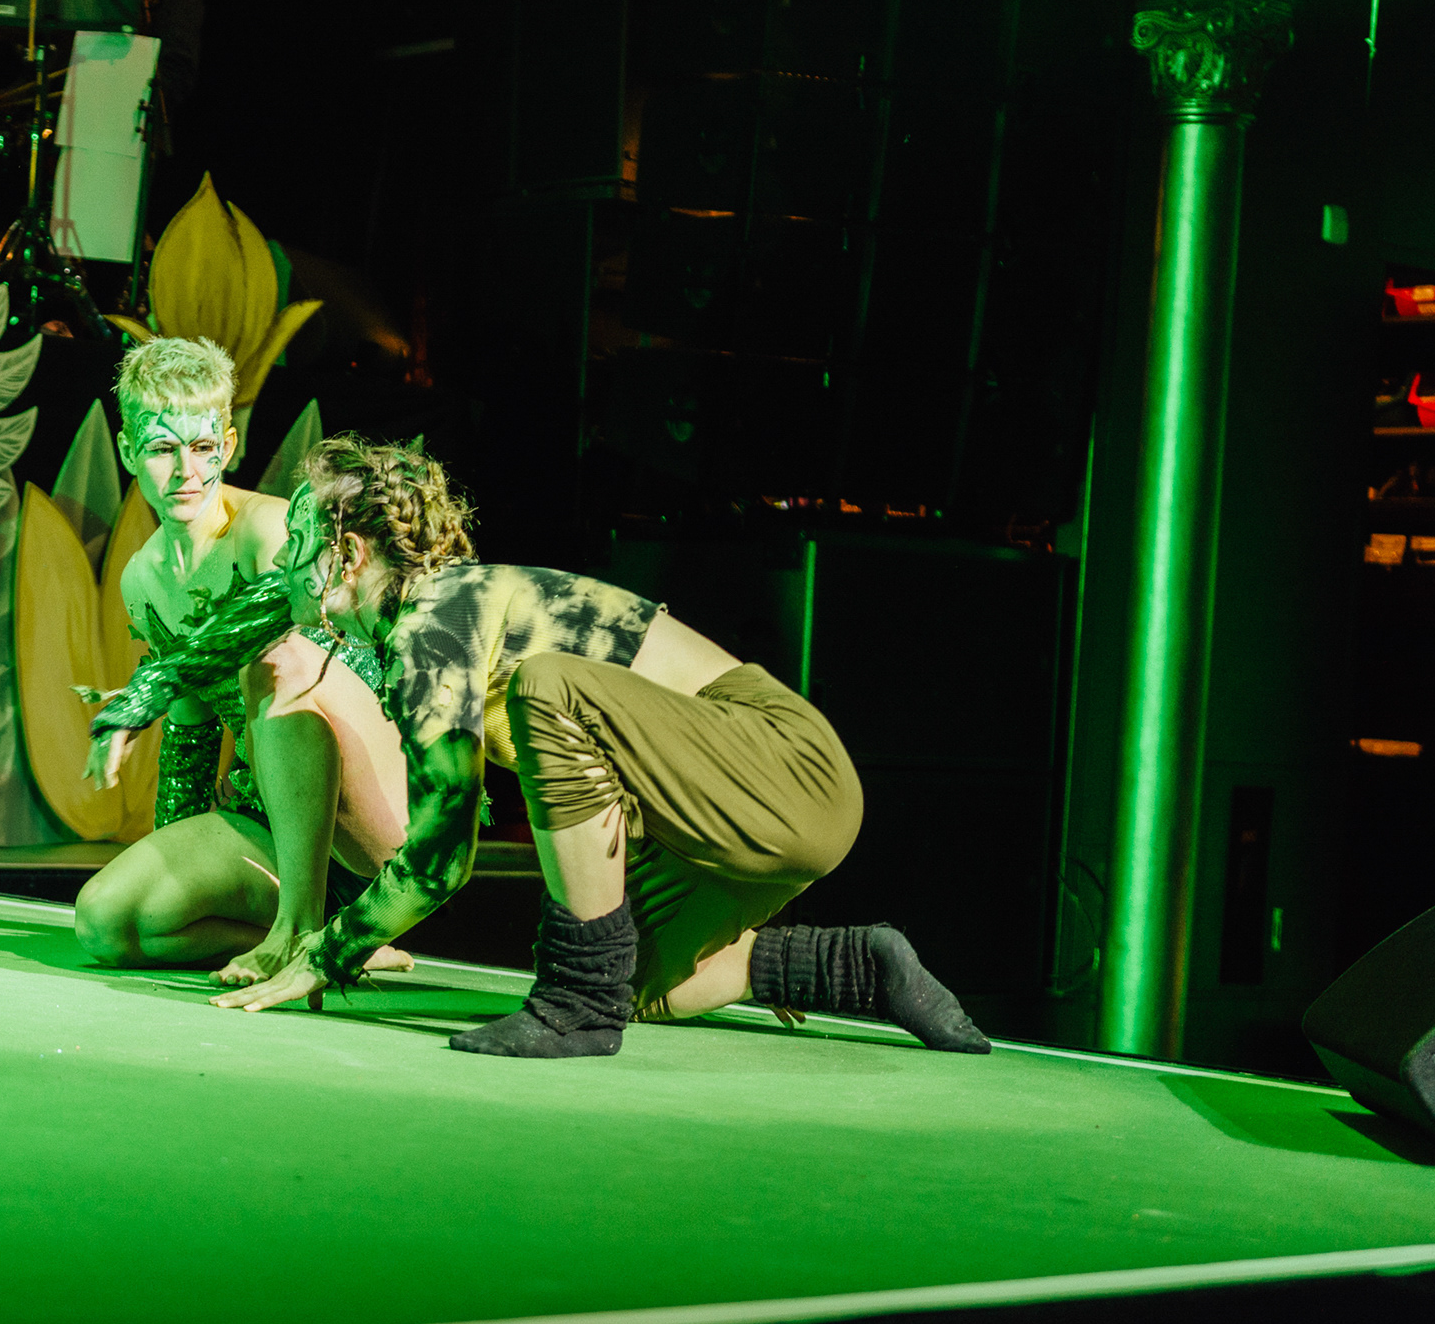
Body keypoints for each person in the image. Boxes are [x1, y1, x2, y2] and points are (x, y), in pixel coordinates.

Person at [96, 435, 991, 1059]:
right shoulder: (425, 627)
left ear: (349, 556)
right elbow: (438, 846)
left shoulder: (441, 617)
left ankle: (575, 1001)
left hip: (788, 767)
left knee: (548, 689)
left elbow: (441, 857)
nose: (286, 565)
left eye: (299, 545)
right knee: (648, 986)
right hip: (735, 816)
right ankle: (857, 965)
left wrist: (323, 954)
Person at [69, 334, 414, 983]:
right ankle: (340, 938)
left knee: (273, 662)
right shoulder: (142, 580)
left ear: (227, 445)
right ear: (128, 451)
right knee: (107, 922)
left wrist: (146, 691)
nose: (186, 471)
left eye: (202, 448)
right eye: (162, 450)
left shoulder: (268, 531)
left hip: (380, 823)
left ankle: (308, 927)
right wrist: (173, 849)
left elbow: (287, 644)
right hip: (272, 824)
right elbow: (191, 736)